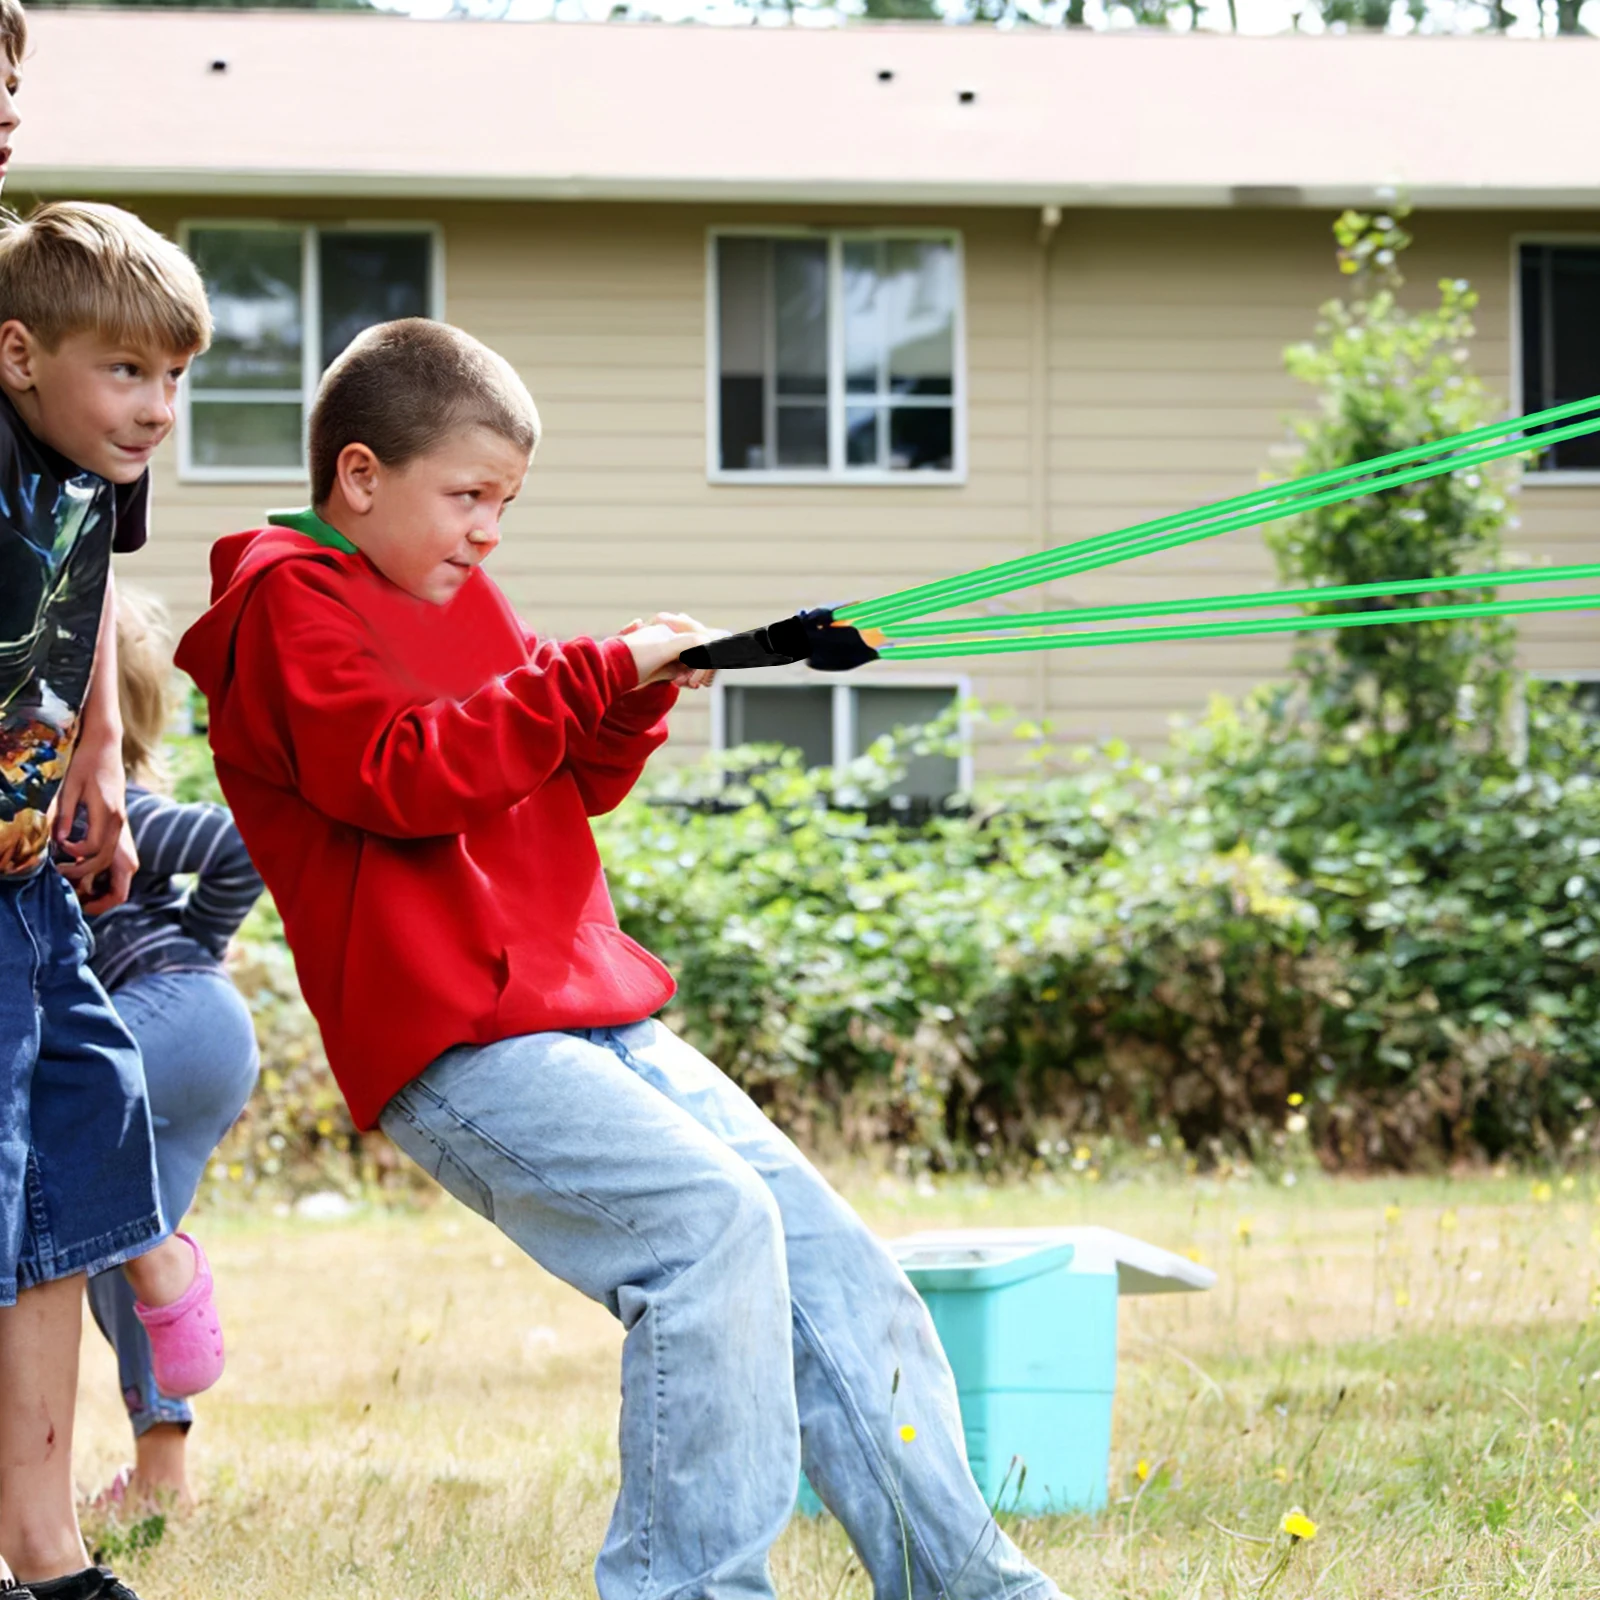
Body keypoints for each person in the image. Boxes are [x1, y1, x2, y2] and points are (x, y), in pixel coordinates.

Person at [177, 317, 1066, 1600]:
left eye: (506, 504)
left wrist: (633, 691)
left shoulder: (452, 589)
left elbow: (558, 771)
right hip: (456, 1040)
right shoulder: (284, 605)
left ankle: (970, 1585)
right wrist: (590, 670)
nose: (489, 531)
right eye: (468, 496)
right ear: (361, 478)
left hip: (583, 1004)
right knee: (706, 1232)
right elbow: (403, 776)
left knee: (822, 1255)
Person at [0, 194, 222, 1599]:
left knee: (85, 1136)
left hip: (28, 872)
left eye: (178, 378)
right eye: (127, 373)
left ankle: (43, 1541)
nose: (156, 410)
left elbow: (83, 600)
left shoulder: (96, 460)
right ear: (21, 355)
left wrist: (97, 753)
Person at [84, 587, 263, 1518]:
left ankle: (159, 1252)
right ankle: (163, 1479)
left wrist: (198, 940)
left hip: (170, 1011)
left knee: (59, 1133)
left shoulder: (120, 810)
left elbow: (242, 845)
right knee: (108, 1253)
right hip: (198, 1039)